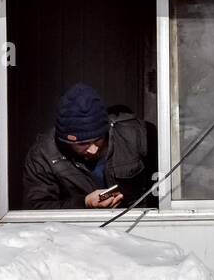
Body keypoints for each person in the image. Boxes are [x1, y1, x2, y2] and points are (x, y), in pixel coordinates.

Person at [21, 83, 154, 210]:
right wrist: (84, 203)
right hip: (76, 226)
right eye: (83, 143)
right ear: (65, 141)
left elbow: (162, 189)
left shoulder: (137, 134)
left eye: (98, 139)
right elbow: (36, 208)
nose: (93, 149)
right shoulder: (43, 155)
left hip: (137, 221)